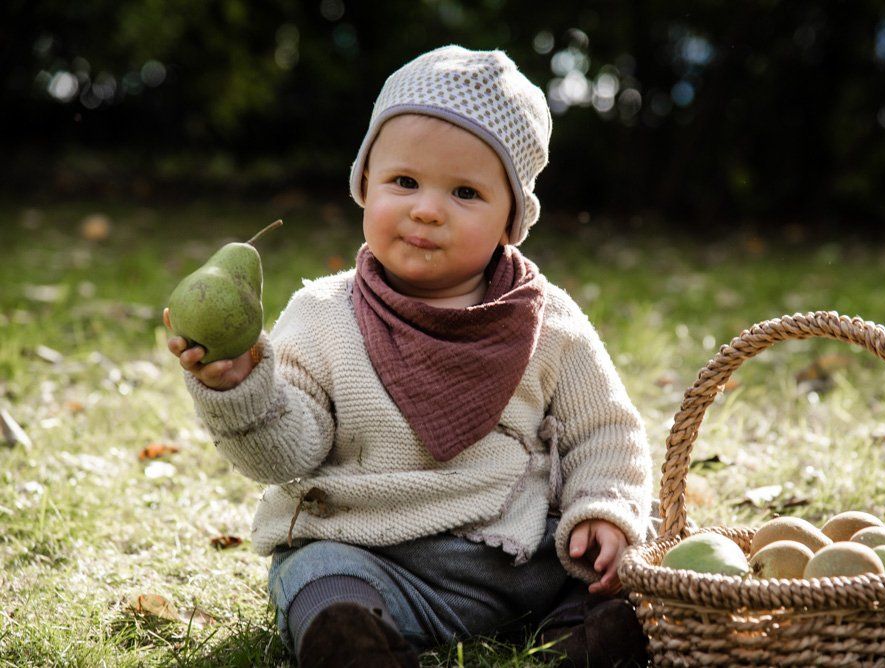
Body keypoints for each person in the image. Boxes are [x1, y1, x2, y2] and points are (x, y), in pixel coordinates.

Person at [164, 45, 652, 668]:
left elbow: (605, 431)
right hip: (373, 550)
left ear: (512, 220)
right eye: (404, 182)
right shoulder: (322, 316)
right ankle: (356, 643)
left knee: (622, 553)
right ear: (364, 184)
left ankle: (582, 635)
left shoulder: (545, 321)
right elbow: (287, 452)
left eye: (466, 192)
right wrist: (239, 386)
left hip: (516, 556)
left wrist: (602, 511)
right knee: (316, 572)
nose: (427, 209)